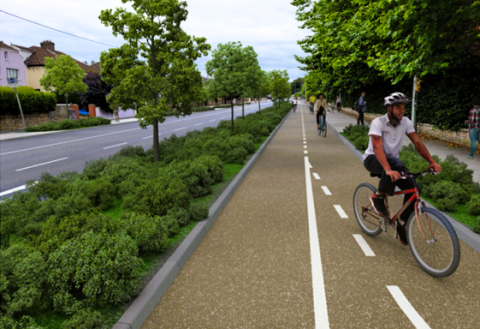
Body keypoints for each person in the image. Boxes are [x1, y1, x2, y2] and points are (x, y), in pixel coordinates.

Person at [363, 92, 442, 246]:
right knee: (395, 163)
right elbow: (377, 147)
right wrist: (387, 169)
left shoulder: (405, 122)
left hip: (393, 164)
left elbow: (418, 143)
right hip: (373, 159)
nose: (402, 111)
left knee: (414, 188)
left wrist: (432, 161)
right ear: (389, 109)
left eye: (403, 108)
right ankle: (377, 197)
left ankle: (401, 222)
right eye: (398, 107)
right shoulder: (378, 123)